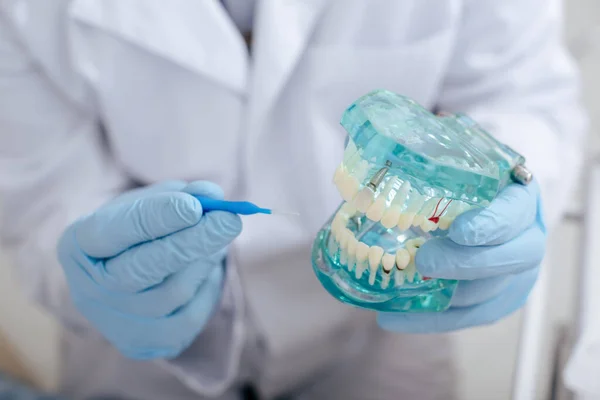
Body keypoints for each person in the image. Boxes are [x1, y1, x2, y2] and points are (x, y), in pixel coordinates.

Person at [0, 1, 587, 399]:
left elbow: (520, 94)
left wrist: (512, 192)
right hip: (130, 359)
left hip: (377, 327)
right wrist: (93, 272)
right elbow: (41, 189)